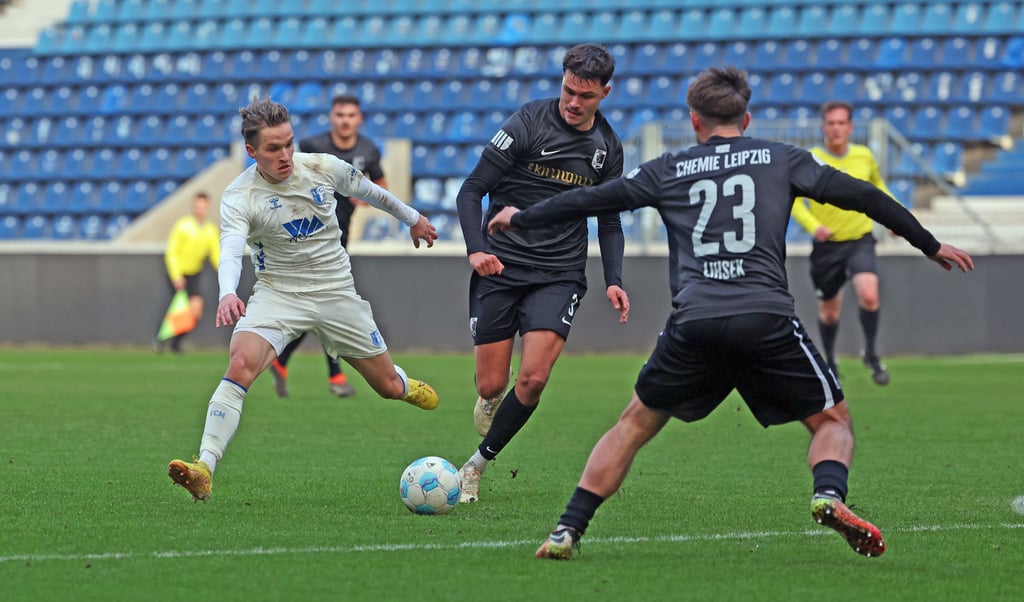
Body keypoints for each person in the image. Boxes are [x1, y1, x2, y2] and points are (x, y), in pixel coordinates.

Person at [487, 66, 974, 560]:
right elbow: (864, 196)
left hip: (694, 321)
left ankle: (567, 530)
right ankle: (828, 493)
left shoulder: (669, 168)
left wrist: (520, 217)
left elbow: (590, 200)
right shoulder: (781, 159)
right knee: (833, 422)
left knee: (631, 426)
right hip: (766, 317)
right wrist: (929, 244)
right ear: (747, 118)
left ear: (694, 120)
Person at [167, 97, 440, 502]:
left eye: (289, 144)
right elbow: (231, 249)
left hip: (335, 292)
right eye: (273, 148)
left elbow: (373, 192)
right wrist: (227, 292)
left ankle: (403, 384)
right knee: (240, 362)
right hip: (278, 294)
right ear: (252, 151)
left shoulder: (322, 167)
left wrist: (413, 219)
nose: (285, 155)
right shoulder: (240, 195)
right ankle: (204, 466)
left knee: (384, 386)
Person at [454, 43, 631, 504]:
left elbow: (609, 221)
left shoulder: (607, 148)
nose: (573, 102)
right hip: (501, 264)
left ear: (605, 93)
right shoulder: (527, 123)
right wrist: (476, 250)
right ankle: (494, 394)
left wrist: (614, 278)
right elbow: (471, 190)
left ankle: (475, 466)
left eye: (585, 96)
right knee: (492, 384)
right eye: (569, 90)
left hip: (559, 272)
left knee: (533, 380)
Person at [268, 94, 389, 398]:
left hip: (340, 239)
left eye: (351, 115)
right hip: (308, 238)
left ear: (359, 119)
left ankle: (282, 360)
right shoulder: (313, 146)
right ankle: (335, 376)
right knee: (329, 302)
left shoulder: (368, 150)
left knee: (319, 305)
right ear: (332, 117)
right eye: (340, 115)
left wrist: (367, 198)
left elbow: (381, 185)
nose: (345, 120)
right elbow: (288, 179)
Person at [790, 100, 899, 385]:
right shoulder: (812, 159)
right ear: (823, 127)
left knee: (869, 295)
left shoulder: (864, 156)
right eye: (831, 123)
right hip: (828, 246)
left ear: (850, 127)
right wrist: (813, 226)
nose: (836, 128)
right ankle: (830, 361)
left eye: (841, 123)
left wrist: (894, 217)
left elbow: (878, 188)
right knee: (829, 312)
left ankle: (871, 354)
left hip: (860, 239)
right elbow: (795, 201)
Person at [154, 191, 219, 353]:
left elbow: (216, 254)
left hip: (194, 274)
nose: (200, 210)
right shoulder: (183, 226)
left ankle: (175, 342)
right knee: (178, 309)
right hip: (179, 273)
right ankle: (161, 340)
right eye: (197, 206)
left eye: (203, 207)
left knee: (195, 311)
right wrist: (176, 275)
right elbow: (172, 252)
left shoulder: (210, 230)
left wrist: (225, 272)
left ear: (207, 208)